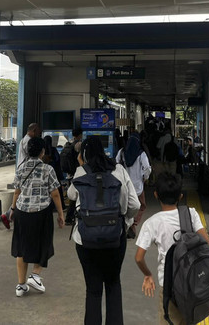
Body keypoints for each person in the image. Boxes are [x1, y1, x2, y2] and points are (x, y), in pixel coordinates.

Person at [135, 172, 209, 324]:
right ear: (180, 196)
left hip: (169, 288)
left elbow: (139, 257)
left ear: (156, 195)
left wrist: (148, 275)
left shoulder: (152, 223)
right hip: (192, 284)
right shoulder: (191, 214)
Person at [67, 136, 140, 325]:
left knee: (93, 289)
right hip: (115, 238)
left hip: (85, 239)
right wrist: (124, 222)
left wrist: (81, 165)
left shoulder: (81, 171)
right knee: (113, 284)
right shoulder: (119, 170)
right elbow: (134, 204)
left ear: (84, 153)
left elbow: (71, 195)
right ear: (104, 149)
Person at [10, 136, 64, 297]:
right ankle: (35, 275)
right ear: (42, 152)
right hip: (41, 212)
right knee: (44, 243)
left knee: (22, 248)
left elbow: (17, 191)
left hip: (22, 212)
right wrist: (61, 214)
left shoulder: (20, 168)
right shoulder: (48, 169)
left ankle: (21, 285)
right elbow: (55, 194)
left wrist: (13, 209)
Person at [115, 133, 151, 239]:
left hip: (124, 185)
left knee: (125, 206)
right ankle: (133, 225)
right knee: (141, 206)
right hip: (137, 186)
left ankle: (127, 226)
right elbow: (147, 168)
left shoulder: (121, 152)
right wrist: (145, 177)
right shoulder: (141, 154)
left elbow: (116, 165)